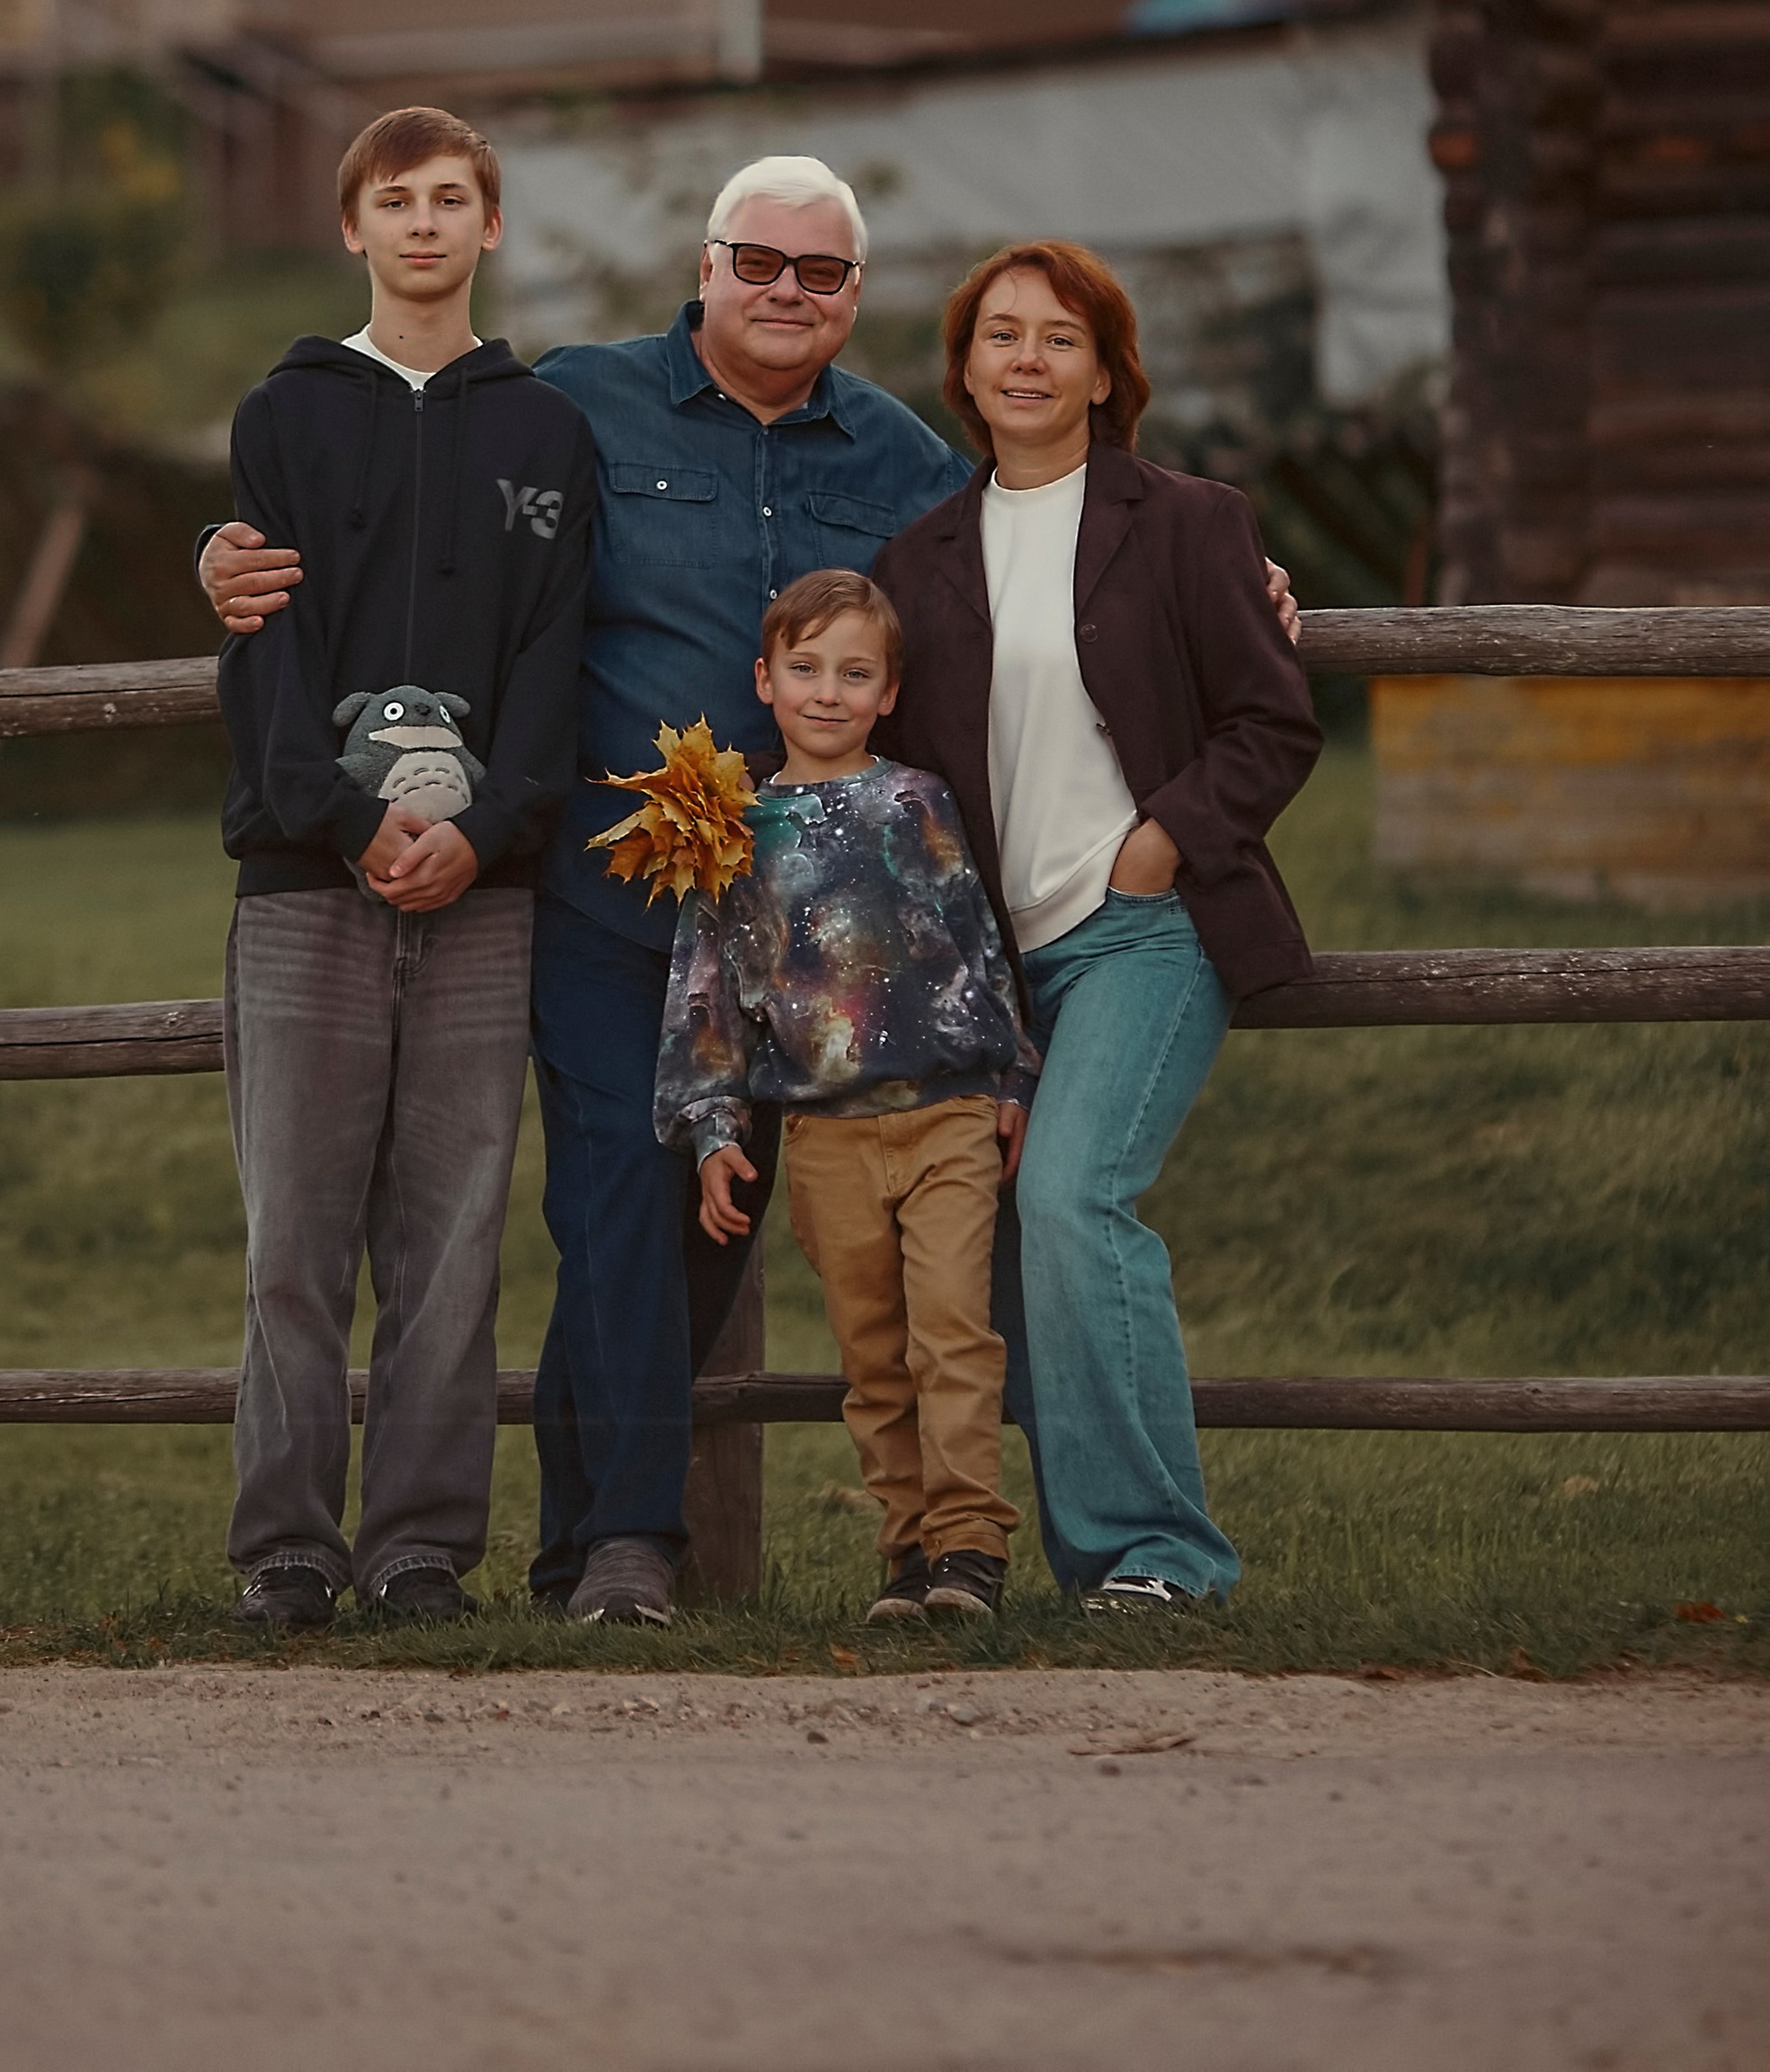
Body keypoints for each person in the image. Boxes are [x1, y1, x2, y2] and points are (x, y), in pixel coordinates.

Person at [198, 162, 1302, 1628]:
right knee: (619, 1201)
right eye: (758, 261)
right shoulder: (578, 402)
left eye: (821, 272)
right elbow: (410, 498)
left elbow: (1049, 529)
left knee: (736, 1237)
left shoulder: (901, 456)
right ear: (706, 267)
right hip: (613, 903)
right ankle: (620, 1547)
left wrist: (1246, 582)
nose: (788, 290)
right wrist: (221, 550)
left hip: (821, 928)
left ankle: (917, 1545)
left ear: (854, 296)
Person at [875, 240, 1321, 1612]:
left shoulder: (1189, 522)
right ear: (964, 371)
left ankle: (1165, 1556)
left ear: (1108, 373)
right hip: (995, 963)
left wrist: (1160, 840)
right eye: (1001, 335)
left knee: (1072, 1199)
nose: (1027, 359)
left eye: (1059, 338)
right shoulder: (917, 558)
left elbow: (1273, 725)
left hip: (1146, 927)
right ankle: (1093, 1569)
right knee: (1010, 1244)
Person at [214, 106, 596, 1629]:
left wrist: (487, 826)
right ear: (353, 228)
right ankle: (289, 1548)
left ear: (490, 226)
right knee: (293, 1239)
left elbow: (552, 654)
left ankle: (420, 1547)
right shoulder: (285, 415)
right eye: (395, 200)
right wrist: (342, 815)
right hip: (306, 880)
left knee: (453, 1238)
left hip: (485, 890)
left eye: (450, 199)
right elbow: (269, 641)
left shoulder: (545, 432)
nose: (423, 223)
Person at [655, 570, 1040, 1624]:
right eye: (806, 668)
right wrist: (713, 1128)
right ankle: (908, 1557)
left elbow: (977, 940)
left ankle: (970, 1550)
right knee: (873, 1358)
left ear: (888, 691)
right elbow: (707, 992)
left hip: (947, 1115)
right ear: (765, 680)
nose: (828, 692)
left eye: (855, 673)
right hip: (824, 1132)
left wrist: (1013, 1069)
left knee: (952, 1333)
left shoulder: (917, 801)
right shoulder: (732, 828)